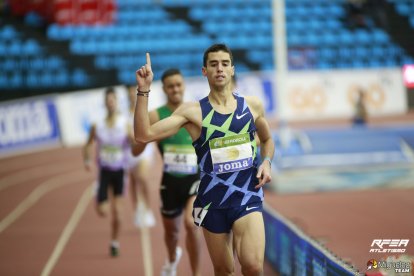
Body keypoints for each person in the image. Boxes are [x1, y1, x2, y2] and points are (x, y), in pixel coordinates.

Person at [134, 44, 275, 275]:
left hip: (246, 196)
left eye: (225, 64)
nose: (219, 68)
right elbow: (143, 135)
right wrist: (143, 91)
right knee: (224, 270)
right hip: (212, 202)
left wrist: (267, 161)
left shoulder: (252, 106)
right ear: (204, 71)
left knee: (252, 266)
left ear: (232, 70)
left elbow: (267, 139)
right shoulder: (192, 112)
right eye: (213, 64)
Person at [134, 69, 202, 276]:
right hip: (170, 183)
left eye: (178, 85)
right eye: (170, 86)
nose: (175, 89)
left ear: (184, 86)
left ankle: (196, 273)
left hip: (195, 180)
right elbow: (136, 146)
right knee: (171, 233)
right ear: (163, 89)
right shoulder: (157, 115)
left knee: (192, 225)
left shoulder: (195, 111)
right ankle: (172, 260)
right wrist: (143, 140)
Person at [82, 87, 133, 257]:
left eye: (113, 100)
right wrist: (88, 160)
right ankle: (99, 193)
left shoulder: (124, 123)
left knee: (118, 214)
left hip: (120, 172)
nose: (111, 103)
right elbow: (88, 143)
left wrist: (136, 146)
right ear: (105, 103)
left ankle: (114, 242)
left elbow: (135, 143)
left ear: (117, 102)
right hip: (104, 171)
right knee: (103, 211)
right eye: (108, 100)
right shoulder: (98, 124)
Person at [126, 85, 156, 228]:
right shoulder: (124, 114)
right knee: (132, 182)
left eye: (133, 93)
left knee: (142, 177)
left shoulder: (145, 111)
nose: (131, 96)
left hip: (144, 150)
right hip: (129, 151)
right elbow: (125, 133)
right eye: (129, 94)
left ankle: (148, 209)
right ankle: (137, 209)